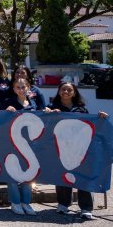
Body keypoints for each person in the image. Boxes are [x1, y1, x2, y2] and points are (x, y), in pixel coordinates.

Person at [46, 81, 108, 220]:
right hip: (60, 148)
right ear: (59, 91)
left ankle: (86, 208)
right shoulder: (51, 107)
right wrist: (49, 115)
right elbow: (46, 125)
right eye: (63, 89)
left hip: (80, 149)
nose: (66, 92)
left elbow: (90, 126)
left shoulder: (81, 109)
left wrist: (100, 118)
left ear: (74, 93)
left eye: (69, 90)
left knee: (82, 177)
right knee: (62, 176)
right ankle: (63, 204)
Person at [2, 77, 40, 216]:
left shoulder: (34, 103)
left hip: (30, 145)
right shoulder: (8, 103)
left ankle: (26, 202)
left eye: (23, 87)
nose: (21, 89)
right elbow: (0, 121)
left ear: (28, 88)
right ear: (14, 89)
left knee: (29, 174)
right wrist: (6, 112)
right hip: (11, 143)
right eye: (18, 87)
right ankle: (15, 202)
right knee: (12, 173)